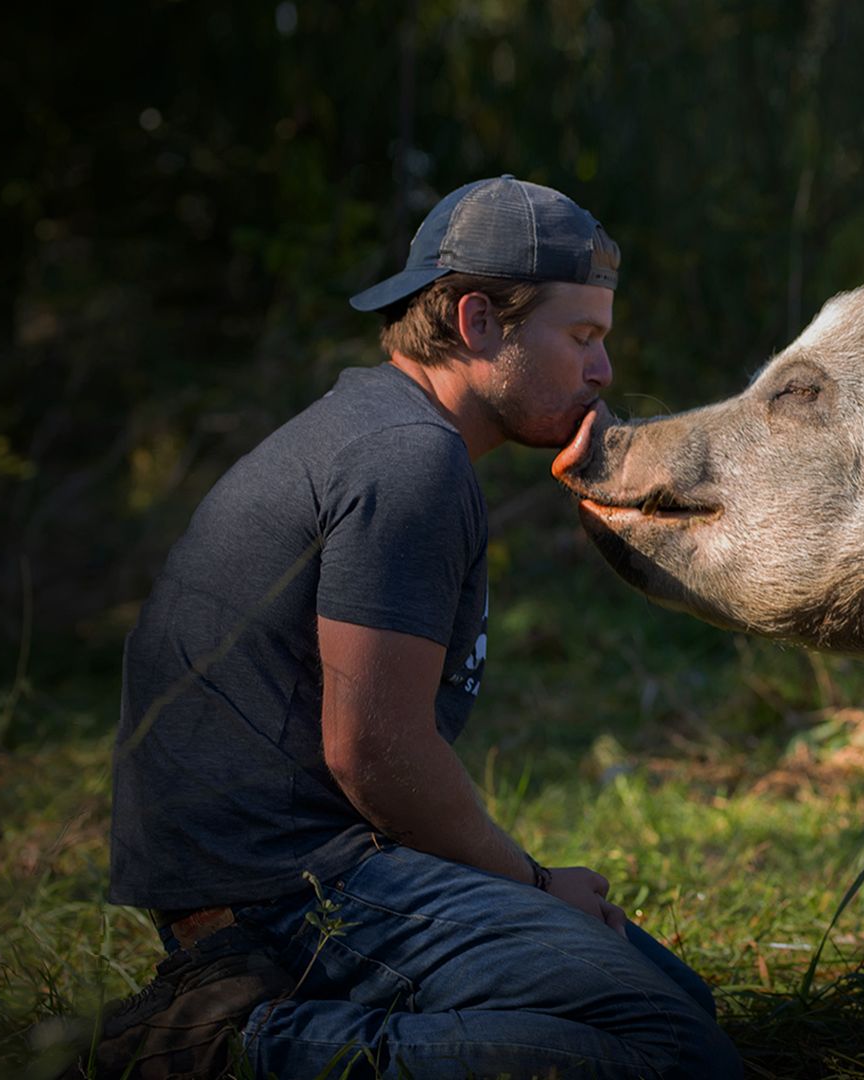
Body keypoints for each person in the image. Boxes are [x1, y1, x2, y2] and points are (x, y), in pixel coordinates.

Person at [96, 176, 742, 1079]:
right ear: (479, 322)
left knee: (679, 1004)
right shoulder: (409, 461)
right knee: (672, 1054)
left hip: (296, 869)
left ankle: (275, 1010)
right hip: (285, 889)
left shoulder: (387, 431)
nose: (604, 372)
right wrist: (539, 885)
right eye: (582, 338)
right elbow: (374, 752)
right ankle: (219, 1049)